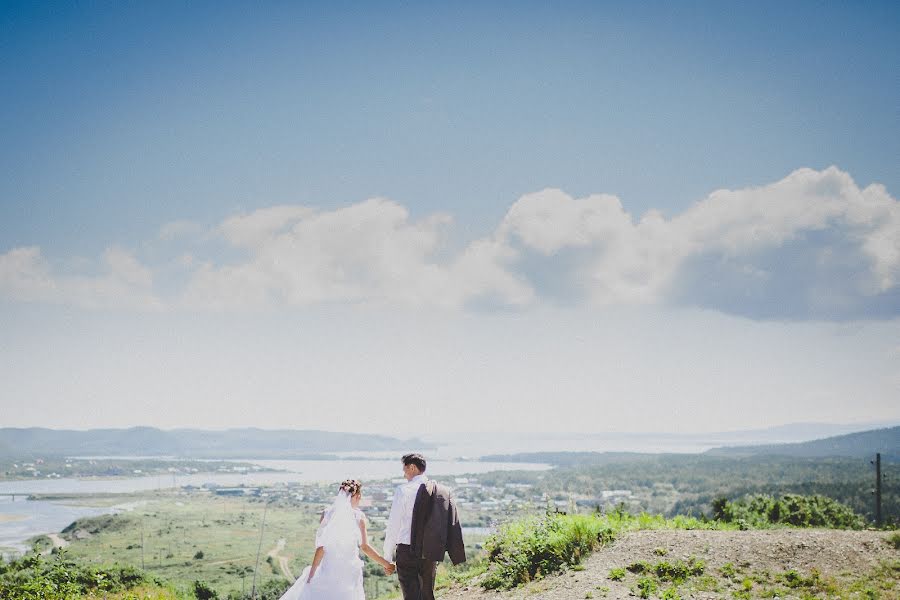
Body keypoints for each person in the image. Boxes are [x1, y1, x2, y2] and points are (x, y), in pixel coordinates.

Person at [279, 479, 394, 600]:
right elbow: (365, 547)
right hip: (350, 571)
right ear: (357, 496)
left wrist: (311, 575)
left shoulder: (327, 514)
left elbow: (321, 548)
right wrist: (386, 564)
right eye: (359, 496)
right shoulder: (359, 517)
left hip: (329, 571)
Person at [383, 454, 465, 600]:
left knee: (411, 595)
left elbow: (393, 526)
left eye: (405, 469)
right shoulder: (442, 491)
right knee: (427, 594)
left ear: (412, 467)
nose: (404, 474)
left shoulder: (403, 490)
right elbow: (453, 523)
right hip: (430, 551)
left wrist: (387, 556)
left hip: (407, 550)